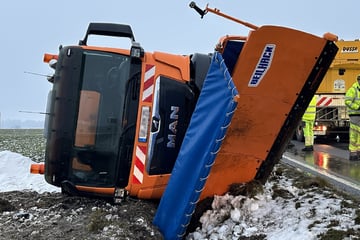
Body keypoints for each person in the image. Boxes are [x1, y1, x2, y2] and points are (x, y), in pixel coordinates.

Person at [345, 74, 360, 161]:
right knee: (354, 134)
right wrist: (357, 107)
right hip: (354, 115)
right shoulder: (353, 90)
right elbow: (347, 101)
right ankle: (353, 153)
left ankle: (358, 152)